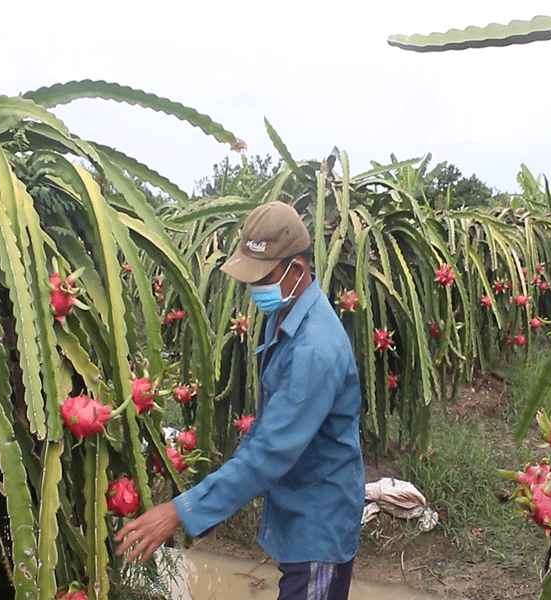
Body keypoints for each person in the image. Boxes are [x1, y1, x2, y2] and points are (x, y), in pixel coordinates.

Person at [114, 200, 365, 600]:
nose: (254, 289)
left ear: (296, 271)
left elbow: (270, 451)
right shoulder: (285, 311)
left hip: (319, 519)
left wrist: (180, 510)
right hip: (298, 502)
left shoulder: (316, 348)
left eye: (261, 277)